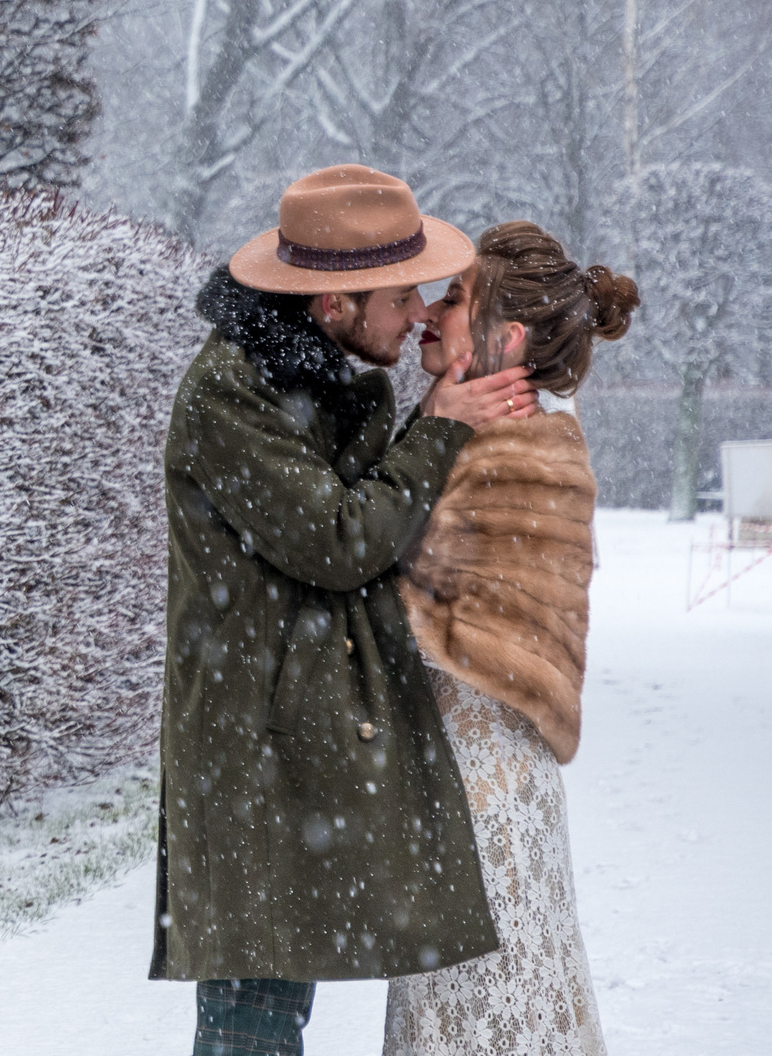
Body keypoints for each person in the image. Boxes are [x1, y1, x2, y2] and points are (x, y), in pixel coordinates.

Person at [153, 164, 536, 1056]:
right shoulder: (230, 396)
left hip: (291, 734)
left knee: (272, 1004)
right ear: (332, 305)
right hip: (250, 749)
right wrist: (439, 425)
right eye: (402, 297)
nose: (416, 317)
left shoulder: (318, 378)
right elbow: (339, 536)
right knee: (251, 1017)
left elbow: (363, 512)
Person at [383, 223, 639, 1055]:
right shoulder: (489, 435)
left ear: (509, 336)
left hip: (483, 803)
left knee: (489, 1025)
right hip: (468, 792)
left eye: (453, 300)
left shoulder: (511, 451)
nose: (428, 314)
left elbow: (407, 614)